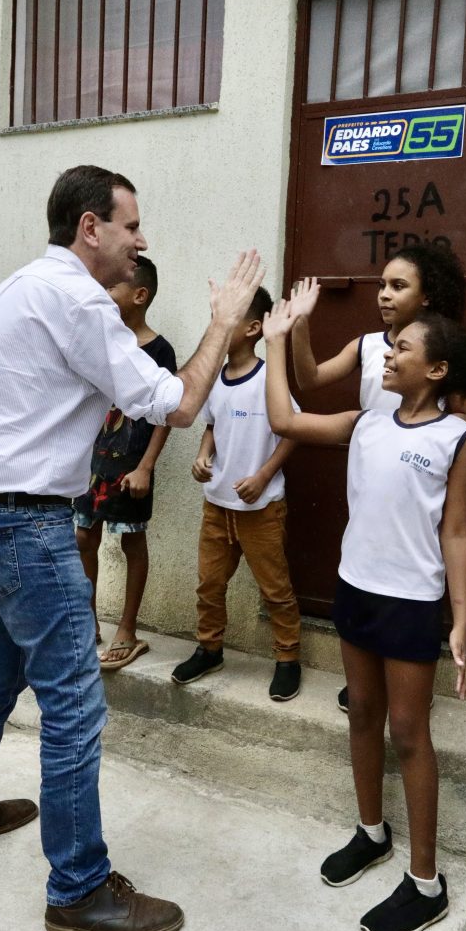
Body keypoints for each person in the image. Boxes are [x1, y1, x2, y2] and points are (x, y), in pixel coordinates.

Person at [0, 165, 266, 931]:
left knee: (2, 669)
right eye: (130, 225)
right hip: (24, 524)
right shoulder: (79, 299)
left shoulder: (19, 286)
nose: (140, 240)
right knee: (75, 703)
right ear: (90, 227)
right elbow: (179, 404)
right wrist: (223, 322)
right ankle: (78, 890)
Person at [263, 300, 466, 931]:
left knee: (409, 733)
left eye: (405, 348)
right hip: (354, 589)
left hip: (412, 603)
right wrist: (279, 339)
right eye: (390, 346)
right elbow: (285, 417)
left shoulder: (458, 440)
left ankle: (426, 884)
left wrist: (461, 620)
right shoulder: (366, 421)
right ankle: (372, 833)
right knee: (361, 712)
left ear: (438, 369)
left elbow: (456, 530)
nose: (388, 354)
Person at [288, 244, 466, 712]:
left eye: (399, 286)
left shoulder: (443, 351)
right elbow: (309, 380)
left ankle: (409, 678)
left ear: (426, 297)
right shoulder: (367, 345)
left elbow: (465, 432)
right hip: (370, 476)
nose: (384, 295)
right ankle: (368, 679)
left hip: (416, 492)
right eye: (381, 285)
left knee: (410, 584)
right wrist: (298, 325)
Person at [171, 286, 303, 702]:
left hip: (260, 508)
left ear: (254, 328)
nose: (218, 325)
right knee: (209, 584)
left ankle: (287, 659)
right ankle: (209, 648)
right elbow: (212, 423)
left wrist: (263, 476)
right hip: (217, 505)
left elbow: (292, 430)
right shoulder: (215, 379)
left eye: (228, 318)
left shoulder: (269, 379)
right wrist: (203, 455)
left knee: (275, 588)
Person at [74, 255, 176, 668]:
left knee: (132, 541)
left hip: (131, 465)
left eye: (113, 287)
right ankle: (87, 623)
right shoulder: (102, 341)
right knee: (84, 539)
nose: (104, 291)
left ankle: (128, 629)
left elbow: (167, 413)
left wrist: (147, 466)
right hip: (90, 464)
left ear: (139, 295)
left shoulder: (159, 350)